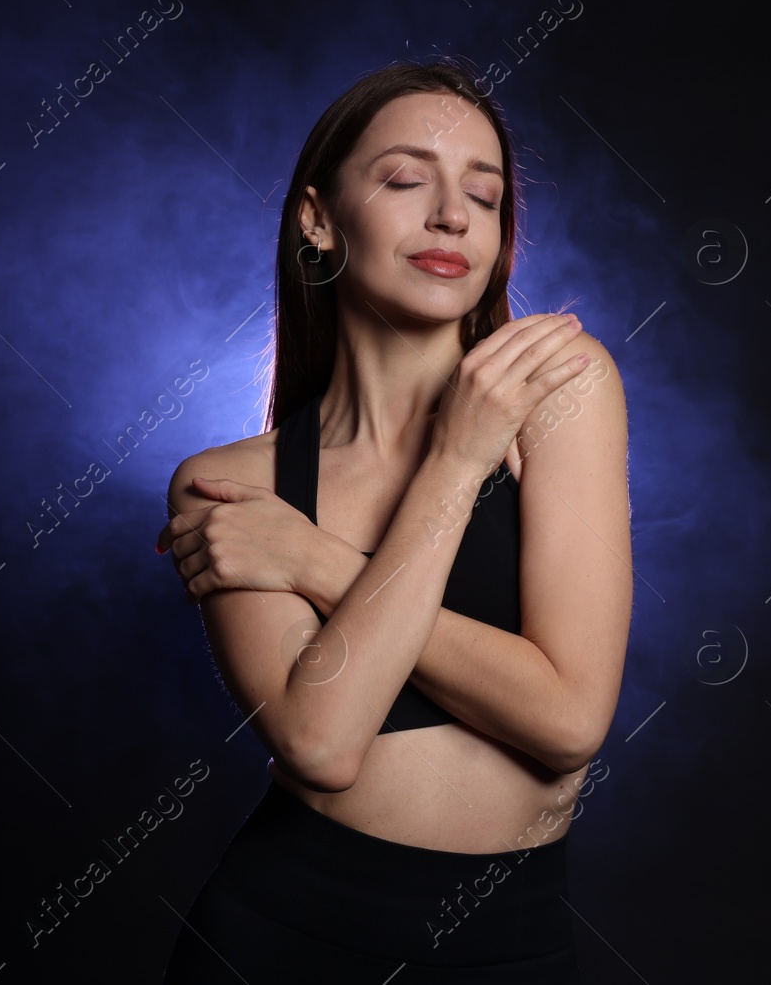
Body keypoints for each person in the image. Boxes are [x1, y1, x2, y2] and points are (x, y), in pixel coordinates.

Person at [155, 59, 632, 982]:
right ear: (318, 217)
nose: (452, 214)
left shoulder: (560, 392)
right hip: (283, 939)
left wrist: (316, 561)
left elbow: (570, 718)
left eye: (483, 196)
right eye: (407, 180)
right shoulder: (227, 486)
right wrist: (455, 461)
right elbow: (323, 742)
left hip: (511, 940)